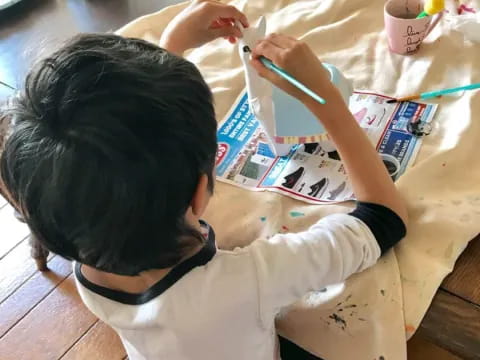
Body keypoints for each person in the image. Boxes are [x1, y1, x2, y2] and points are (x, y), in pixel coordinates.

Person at [0, 1, 408, 359]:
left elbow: (114, 152)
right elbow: (383, 219)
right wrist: (323, 96)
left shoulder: (80, 233)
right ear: (200, 192)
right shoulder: (244, 283)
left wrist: (173, 41)